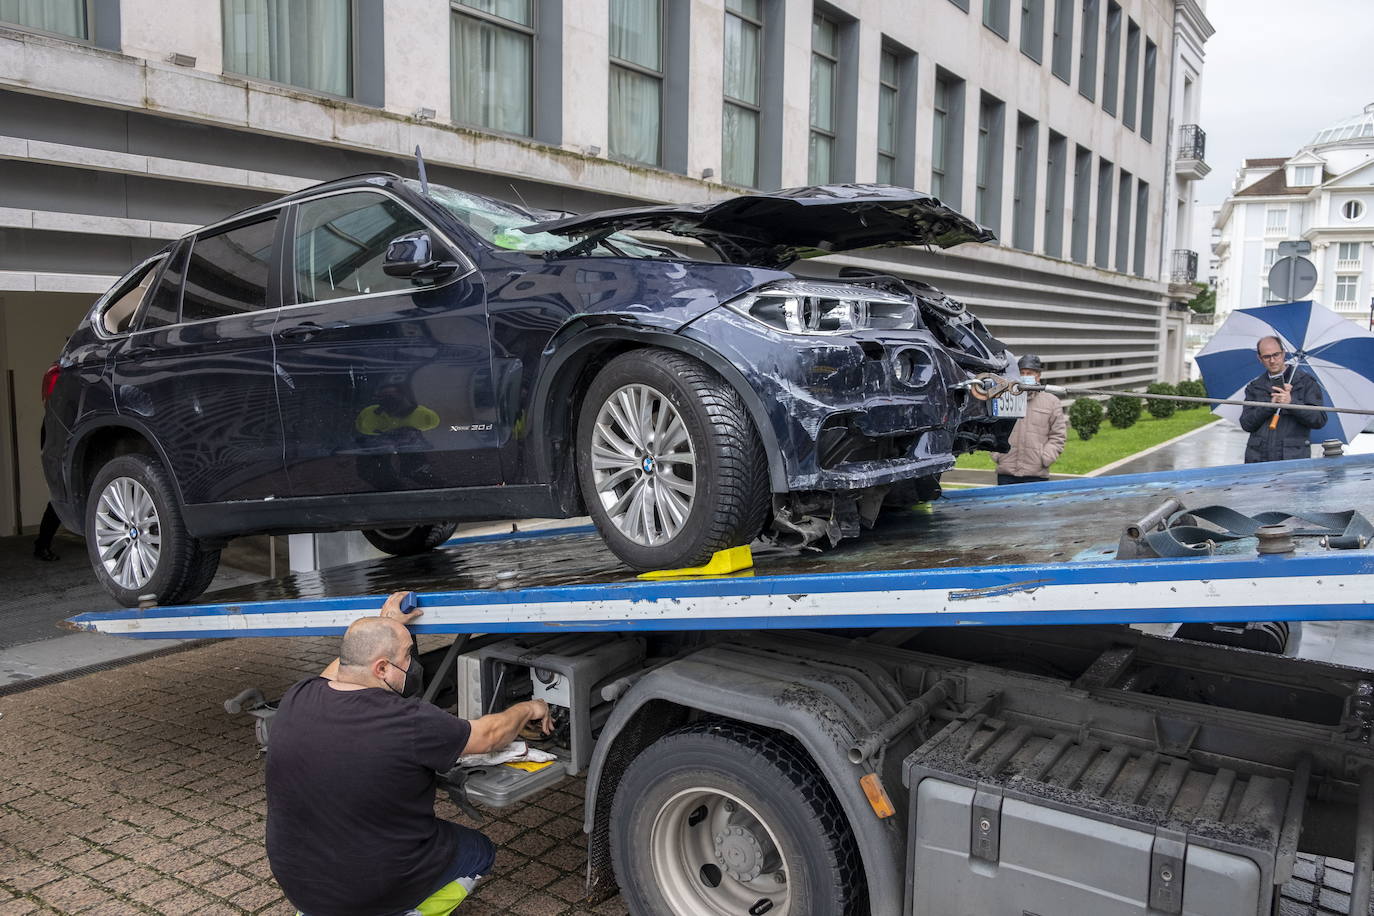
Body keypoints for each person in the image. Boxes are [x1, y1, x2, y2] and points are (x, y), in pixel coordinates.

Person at [265, 591, 551, 916]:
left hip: (300, 888)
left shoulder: (298, 696)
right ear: (383, 668)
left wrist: (387, 624)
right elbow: (489, 736)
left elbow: (343, 667)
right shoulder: (410, 721)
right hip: (370, 891)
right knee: (479, 851)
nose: (413, 664)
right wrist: (531, 707)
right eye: (407, 656)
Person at [1238, 336, 1325, 463]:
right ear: (1259, 358)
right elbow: (1246, 424)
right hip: (1258, 460)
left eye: (1276, 354)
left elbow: (1319, 420)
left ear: (1283, 353)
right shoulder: (1255, 387)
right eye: (1266, 357)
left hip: (1292, 461)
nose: (1272, 360)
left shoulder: (1306, 383)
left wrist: (1291, 403)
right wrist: (1269, 406)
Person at [993, 354, 1067, 485]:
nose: (1025, 376)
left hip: (1036, 474)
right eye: (1022, 373)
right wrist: (997, 455)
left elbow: (1058, 436)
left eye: (1029, 373)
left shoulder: (1051, 402)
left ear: (1038, 376)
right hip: (1006, 473)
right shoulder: (1005, 398)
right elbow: (994, 429)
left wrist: (1045, 458)